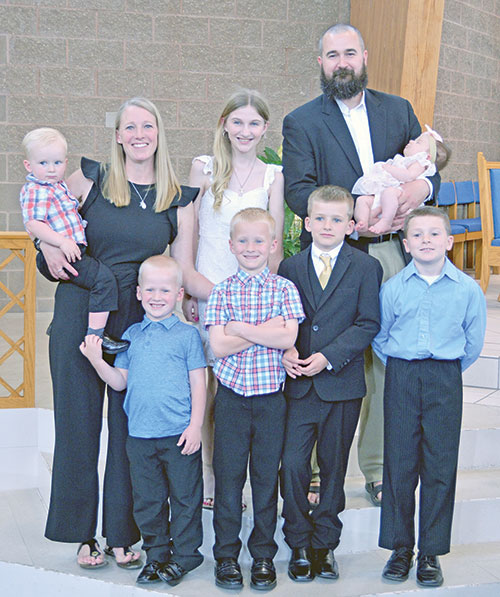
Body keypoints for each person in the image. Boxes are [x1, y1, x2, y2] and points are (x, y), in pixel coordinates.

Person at [38, 97, 212, 569]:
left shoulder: (179, 198)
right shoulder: (89, 179)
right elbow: (46, 220)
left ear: (159, 132)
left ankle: (121, 533)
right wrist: (45, 247)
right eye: (129, 126)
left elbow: (186, 271)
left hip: (140, 326)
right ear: (117, 135)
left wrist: (233, 299)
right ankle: (80, 534)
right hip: (81, 311)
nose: (139, 134)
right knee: (77, 428)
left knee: (128, 432)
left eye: (147, 125)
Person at [282, 22, 441, 507]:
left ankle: (376, 468)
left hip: (392, 252)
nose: (342, 62)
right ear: (320, 63)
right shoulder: (303, 121)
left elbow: (431, 167)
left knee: (385, 364)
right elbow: (296, 190)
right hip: (337, 252)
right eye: (332, 55)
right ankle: (309, 467)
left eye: (350, 52)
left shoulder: (399, 110)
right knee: (321, 350)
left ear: (365, 56)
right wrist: (353, 211)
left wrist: (420, 189)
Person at [372, 206, 486, 588]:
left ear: (449, 241)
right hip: (402, 375)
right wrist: (405, 366)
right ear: (405, 245)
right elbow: (381, 337)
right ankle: (400, 547)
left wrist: (444, 370)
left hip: (444, 376)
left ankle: (430, 552)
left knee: (439, 465)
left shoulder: (468, 289)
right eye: (417, 235)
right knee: (400, 463)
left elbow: (472, 342)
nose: (425, 241)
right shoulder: (393, 288)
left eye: (434, 234)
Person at [80, 255, 206, 586]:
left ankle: (186, 556)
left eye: (165, 290)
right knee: (148, 501)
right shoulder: (131, 335)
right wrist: (96, 360)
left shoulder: (187, 336)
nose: (156, 296)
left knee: (184, 499)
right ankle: (157, 555)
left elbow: (199, 383)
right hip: (140, 437)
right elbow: (120, 382)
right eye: (150, 289)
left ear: (179, 295)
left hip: (179, 435)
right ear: (138, 293)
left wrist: (195, 426)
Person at [278, 186, 382, 582]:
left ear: (351, 225)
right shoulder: (290, 267)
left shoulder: (365, 268)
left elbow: (368, 323)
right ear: (307, 223)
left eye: (337, 219)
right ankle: (298, 541)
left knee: (335, 468)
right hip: (300, 383)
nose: (327, 225)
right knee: (293, 465)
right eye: (319, 218)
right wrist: (287, 350)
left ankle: (324, 544)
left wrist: (330, 356)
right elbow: (283, 319)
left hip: (341, 383)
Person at [187, 89, 284, 510]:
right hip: (209, 288)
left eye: (254, 123)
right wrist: (189, 287)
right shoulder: (204, 169)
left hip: (253, 301)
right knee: (207, 388)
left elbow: (275, 246)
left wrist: (264, 301)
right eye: (237, 122)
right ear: (224, 124)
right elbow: (187, 234)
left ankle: (241, 478)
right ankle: (211, 477)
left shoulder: (271, 177)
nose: (245, 131)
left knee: (242, 390)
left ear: (265, 128)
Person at [205, 208, 304, 591]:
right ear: (231, 245)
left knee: (265, 481)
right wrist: (265, 330)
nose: (250, 247)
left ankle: (262, 554)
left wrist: (241, 329)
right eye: (242, 240)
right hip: (230, 399)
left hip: (270, 402)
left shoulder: (283, 289)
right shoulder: (222, 290)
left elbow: (288, 339)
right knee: (228, 480)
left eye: (259, 240)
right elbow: (218, 345)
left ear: (273, 245)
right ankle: (226, 556)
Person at [20, 127, 128, 354]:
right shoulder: (36, 190)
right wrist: (60, 242)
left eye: (57, 163)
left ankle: (62, 322)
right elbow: (33, 224)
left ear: (65, 162)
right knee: (104, 280)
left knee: (87, 287)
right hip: (66, 250)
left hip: (74, 248)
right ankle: (97, 336)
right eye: (43, 163)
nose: (51, 169)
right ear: (28, 165)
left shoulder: (58, 187)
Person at [353, 127, 450, 234]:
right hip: (383, 197)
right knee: (362, 200)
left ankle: (386, 221)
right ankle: (362, 222)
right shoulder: (404, 160)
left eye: (418, 142)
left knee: (389, 193)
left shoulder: (421, 162)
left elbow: (408, 176)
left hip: (398, 194)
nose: (411, 141)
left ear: (427, 156)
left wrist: (389, 168)